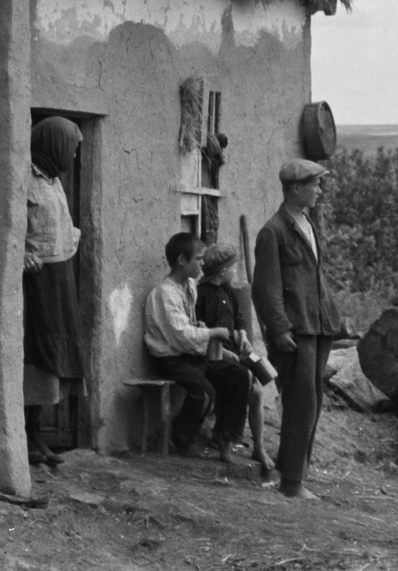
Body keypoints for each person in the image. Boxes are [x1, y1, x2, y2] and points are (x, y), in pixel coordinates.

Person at [252, 159, 342, 499]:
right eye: (315, 185)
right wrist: (278, 330)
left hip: (317, 325)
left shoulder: (307, 223)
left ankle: (294, 472)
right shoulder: (272, 232)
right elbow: (265, 289)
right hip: (295, 329)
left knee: (314, 401)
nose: (319, 191)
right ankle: (291, 483)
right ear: (295, 188)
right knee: (300, 402)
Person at [143, 232, 252, 459]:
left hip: (191, 353)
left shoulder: (190, 286)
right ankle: (181, 439)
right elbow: (181, 337)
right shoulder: (165, 293)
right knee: (203, 392)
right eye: (198, 259)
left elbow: (190, 326)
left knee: (239, 376)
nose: (203, 263)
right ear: (182, 260)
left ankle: (224, 439)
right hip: (170, 358)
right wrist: (213, 332)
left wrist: (213, 342)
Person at [23, 117, 86, 467]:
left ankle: (37, 436)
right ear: (54, 145)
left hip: (60, 276)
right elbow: (10, 225)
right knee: (35, 355)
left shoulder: (55, 181)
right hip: (36, 280)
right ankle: (27, 439)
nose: (74, 155)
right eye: (72, 147)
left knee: (56, 355)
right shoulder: (25, 178)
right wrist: (22, 253)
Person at [196, 242, 273, 473]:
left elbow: (238, 317)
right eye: (233, 268)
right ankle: (227, 440)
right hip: (213, 356)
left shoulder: (227, 290)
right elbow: (200, 332)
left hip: (233, 351)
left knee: (259, 386)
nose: (235, 272)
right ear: (221, 271)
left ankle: (258, 446)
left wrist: (242, 335)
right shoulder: (202, 295)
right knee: (252, 388)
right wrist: (227, 352)